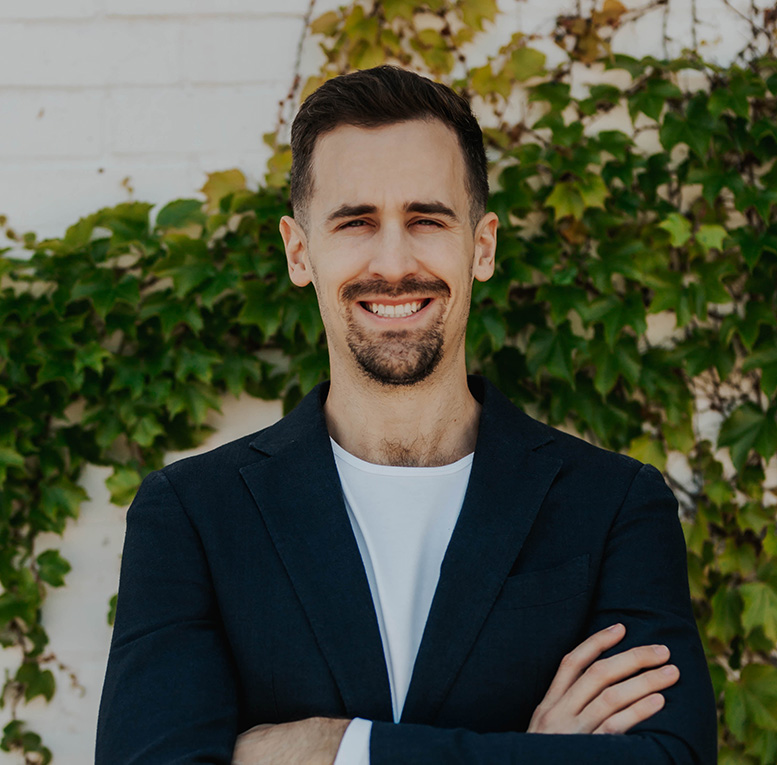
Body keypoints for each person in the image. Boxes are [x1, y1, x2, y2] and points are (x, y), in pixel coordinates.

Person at [96, 66, 716, 764]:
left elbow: (670, 760)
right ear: (300, 252)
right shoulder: (193, 515)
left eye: (427, 220)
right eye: (355, 222)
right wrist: (531, 755)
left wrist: (338, 749)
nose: (393, 264)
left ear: (482, 246)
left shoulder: (613, 505)